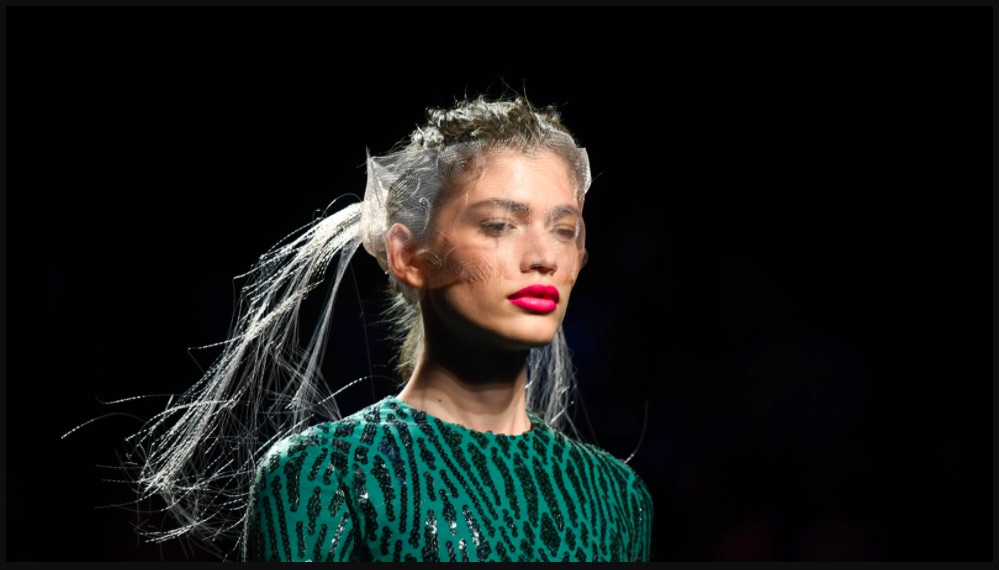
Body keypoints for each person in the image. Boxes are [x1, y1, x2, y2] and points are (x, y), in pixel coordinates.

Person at [128, 94, 653, 562]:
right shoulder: (323, 475)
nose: (544, 256)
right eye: (498, 225)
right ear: (407, 255)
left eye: (564, 229)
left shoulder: (617, 498)